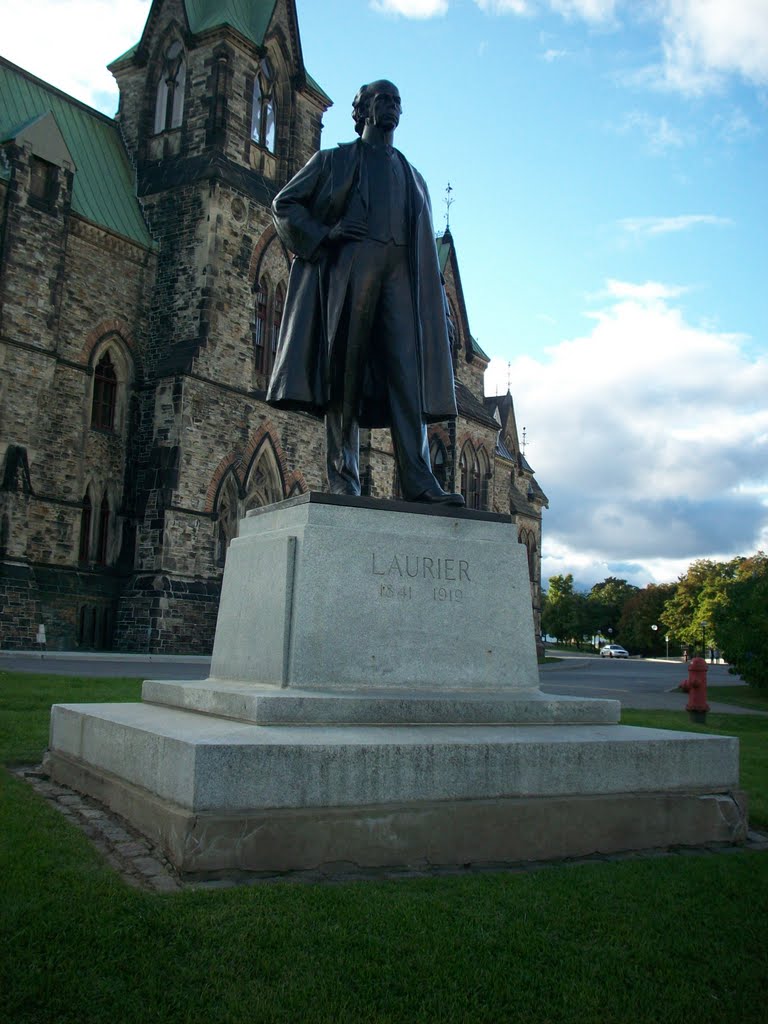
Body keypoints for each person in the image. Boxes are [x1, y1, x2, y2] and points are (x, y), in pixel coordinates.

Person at [266, 80, 464, 506]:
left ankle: (419, 481)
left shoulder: (413, 177)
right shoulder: (334, 160)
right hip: (352, 275)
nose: (390, 107)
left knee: (408, 379)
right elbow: (285, 204)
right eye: (381, 100)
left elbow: (428, 253)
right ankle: (344, 478)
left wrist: (442, 312)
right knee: (345, 378)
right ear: (362, 112)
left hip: (402, 283)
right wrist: (325, 234)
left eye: (396, 100)